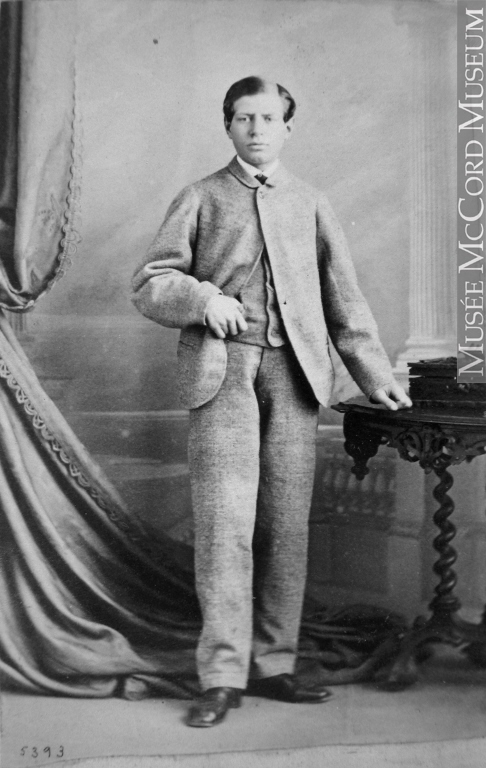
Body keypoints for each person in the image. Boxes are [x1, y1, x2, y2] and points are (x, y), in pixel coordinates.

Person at [132, 76, 412, 728]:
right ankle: (222, 675)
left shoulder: (311, 203)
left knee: (285, 526)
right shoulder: (200, 197)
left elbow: (344, 300)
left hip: (296, 379)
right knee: (225, 525)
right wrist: (204, 300)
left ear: (288, 126)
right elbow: (150, 282)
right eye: (243, 118)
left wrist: (373, 375)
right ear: (227, 125)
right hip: (221, 374)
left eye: (267, 118)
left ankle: (275, 663)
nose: (256, 129)